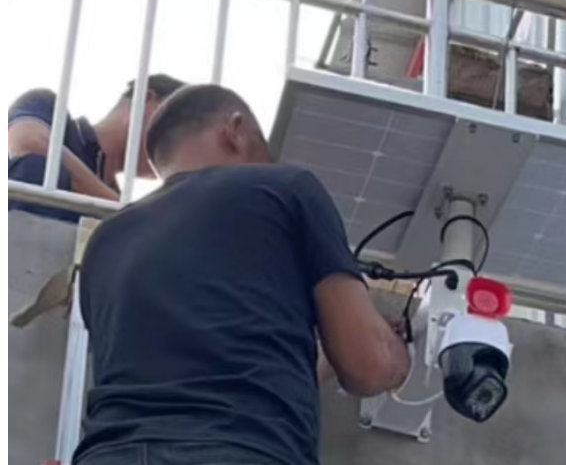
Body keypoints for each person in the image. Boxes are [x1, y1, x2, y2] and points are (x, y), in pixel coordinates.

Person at [74, 84, 410, 465]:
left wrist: (324, 359)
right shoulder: (285, 188)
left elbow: (215, 367)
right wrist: (397, 357)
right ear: (235, 130)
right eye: (263, 153)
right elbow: (369, 367)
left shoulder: (105, 243)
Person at [8, 74, 186, 222]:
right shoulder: (50, 110)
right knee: (39, 168)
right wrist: (122, 211)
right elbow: (29, 141)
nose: (178, 151)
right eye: (178, 132)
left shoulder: (119, 203)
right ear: (144, 100)